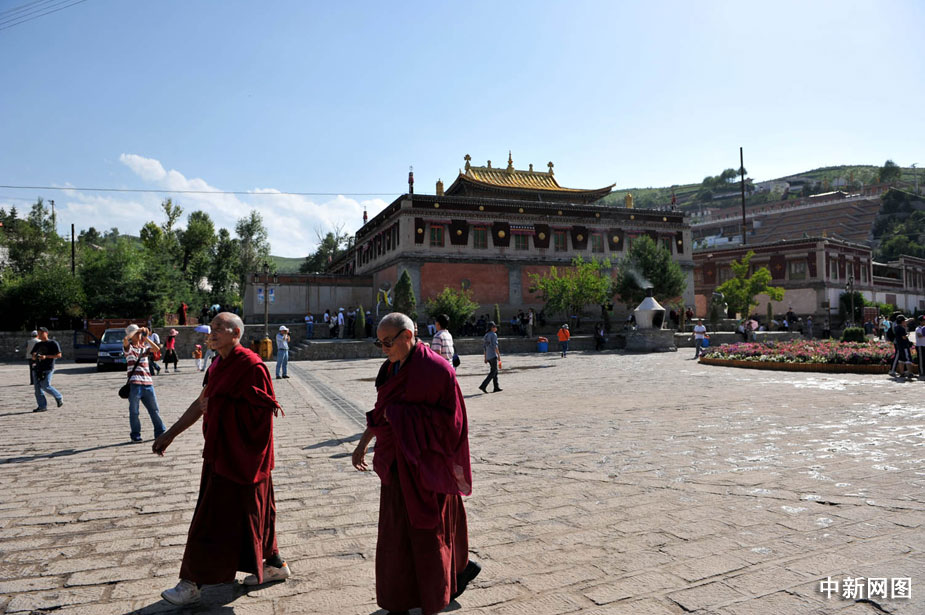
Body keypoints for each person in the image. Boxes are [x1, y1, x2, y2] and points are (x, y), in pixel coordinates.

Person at [154, 313, 289, 606]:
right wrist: (170, 434)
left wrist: (218, 408)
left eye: (219, 328)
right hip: (221, 453)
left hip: (244, 458)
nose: (212, 333)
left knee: (212, 519)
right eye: (211, 328)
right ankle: (275, 564)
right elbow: (201, 402)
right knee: (253, 514)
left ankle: (192, 583)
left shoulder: (252, 366)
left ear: (236, 333)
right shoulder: (217, 365)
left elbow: (261, 419)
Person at [351, 312, 479, 615]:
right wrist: (363, 443)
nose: (383, 349)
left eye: (387, 342)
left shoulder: (437, 371)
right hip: (396, 466)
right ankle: (403, 598)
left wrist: (401, 417)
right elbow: (382, 410)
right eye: (379, 343)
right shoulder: (390, 368)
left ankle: (435, 594)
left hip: (426, 469)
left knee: (428, 535)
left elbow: (453, 426)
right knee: (396, 536)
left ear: (407, 336)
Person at [122, 324, 166, 442]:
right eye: (136, 333)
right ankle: (135, 434)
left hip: (148, 384)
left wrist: (146, 338)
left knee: (154, 410)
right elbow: (125, 339)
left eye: (139, 333)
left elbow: (156, 349)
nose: (139, 335)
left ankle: (160, 431)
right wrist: (136, 331)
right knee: (134, 411)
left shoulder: (144, 348)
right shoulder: (129, 349)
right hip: (134, 384)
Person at [31, 327, 63, 412]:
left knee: (45, 385)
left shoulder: (53, 343)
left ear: (46, 333)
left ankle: (58, 396)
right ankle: (42, 406)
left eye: (41, 333)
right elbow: (33, 357)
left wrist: (46, 357)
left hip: (48, 367)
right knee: (37, 389)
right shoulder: (37, 344)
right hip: (37, 368)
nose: (40, 335)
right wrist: (34, 356)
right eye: (38, 333)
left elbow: (59, 355)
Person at [479, 321, 502, 393]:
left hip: (488, 356)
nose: (496, 328)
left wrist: (485, 358)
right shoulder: (493, 335)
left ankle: (496, 387)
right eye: (495, 326)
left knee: (495, 371)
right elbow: (495, 346)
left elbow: (485, 348)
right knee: (493, 371)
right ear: (492, 328)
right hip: (493, 355)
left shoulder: (486, 335)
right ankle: (483, 385)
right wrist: (498, 355)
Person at [916, 315, 925, 380]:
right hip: (920, 346)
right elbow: (919, 335)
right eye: (923, 320)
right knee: (921, 360)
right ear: (920, 321)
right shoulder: (918, 328)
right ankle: (921, 372)